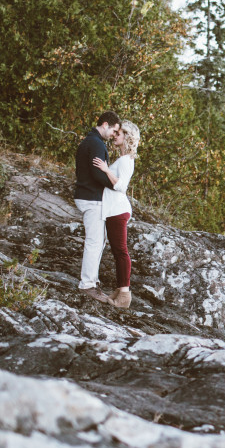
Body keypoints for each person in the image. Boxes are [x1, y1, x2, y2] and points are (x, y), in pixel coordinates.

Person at [92, 121, 140, 308]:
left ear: (127, 137)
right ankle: (120, 290)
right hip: (114, 210)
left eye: (118, 133)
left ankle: (125, 295)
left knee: (121, 252)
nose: (114, 135)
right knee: (117, 252)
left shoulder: (127, 160)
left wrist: (105, 170)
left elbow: (121, 186)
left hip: (118, 211)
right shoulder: (123, 159)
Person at [74, 111, 121, 302]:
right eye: (114, 130)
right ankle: (87, 285)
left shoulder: (90, 141)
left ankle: (92, 281)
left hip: (88, 196)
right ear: (105, 124)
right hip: (91, 197)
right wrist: (116, 185)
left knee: (98, 240)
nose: (114, 135)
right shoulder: (95, 144)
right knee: (94, 242)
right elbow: (97, 174)